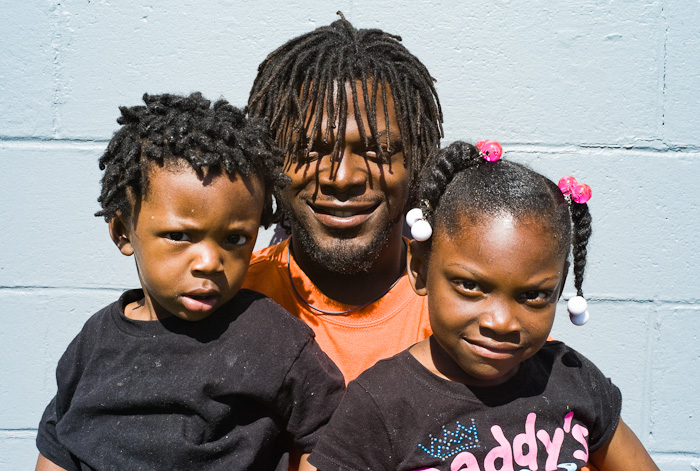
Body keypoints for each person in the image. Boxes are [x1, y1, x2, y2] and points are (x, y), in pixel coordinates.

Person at [35, 93, 345, 471]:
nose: (210, 262)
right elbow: (57, 447)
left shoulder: (272, 340)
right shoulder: (95, 342)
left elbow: (333, 435)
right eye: (180, 237)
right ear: (122, 233)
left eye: (234, 239)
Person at [308, 141, 659, 471]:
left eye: (533, 296)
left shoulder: (574, 379)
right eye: (471, 286)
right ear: (419, 269)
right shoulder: (381, 403)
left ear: (560, 288)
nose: (501, 322)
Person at [244, 13, 443, 382]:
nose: (341, 177)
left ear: (417, 162)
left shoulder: (466, 311)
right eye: (308, 149)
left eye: (376, 150)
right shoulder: (227, 300)